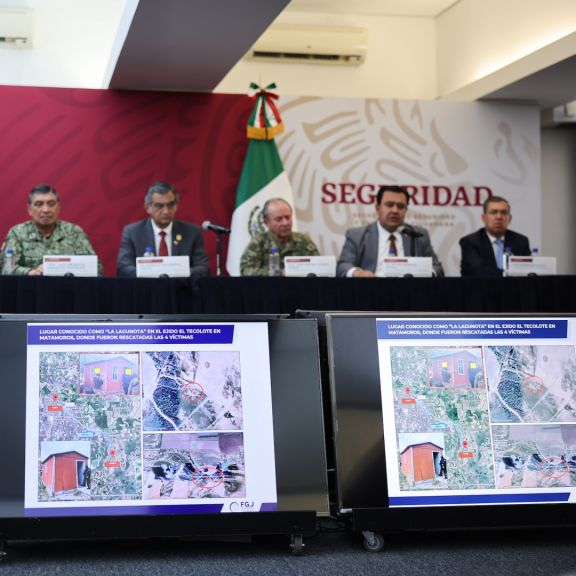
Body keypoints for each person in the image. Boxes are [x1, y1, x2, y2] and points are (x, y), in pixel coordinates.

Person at [336, 185, 444, 277]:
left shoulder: (418, 235)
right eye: (389, 205)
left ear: (406, 210)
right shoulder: (357, 235)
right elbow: (342, 266)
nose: (395, 210)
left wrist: (424, 274)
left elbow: (437, 268)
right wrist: (357, 272)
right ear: (377, 207)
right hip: (371, 292)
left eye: (400, 206)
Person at [0, 184, 102, 276]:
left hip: (67, 292)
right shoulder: (17, 233)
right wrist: (31, 272)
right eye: (39, 204)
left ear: (59, 207)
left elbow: (97, 268)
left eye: (51, 204)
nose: (46, 210)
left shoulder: (74, 232)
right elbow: (6, 269)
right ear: (29, 209)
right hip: (30, 291)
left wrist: (60, 269)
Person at [116, 181, 209, 277]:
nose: (166, 211)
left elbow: (203, 268)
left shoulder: (192, 232)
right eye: (159, 206)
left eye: (170, 205)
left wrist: (179, 272)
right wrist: (152, 273)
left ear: (176, 206)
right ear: (147, 207)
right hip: (146, 289)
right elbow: (123, 268)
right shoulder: (132, 232)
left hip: (181, 289)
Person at [240, 198, 320, 276]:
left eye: (288, 217)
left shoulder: (303, 240)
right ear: (266, 222)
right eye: (279, 219)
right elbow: (245, 271)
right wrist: (278, 273)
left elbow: (318, 267)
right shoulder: (258, 242)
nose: (285, 223)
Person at [459, 196, 531, 277]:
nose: (499, 217)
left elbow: (527, 271)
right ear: (484, 218)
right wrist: (509, 274)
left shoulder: (521, 241)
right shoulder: (470, 242)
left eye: (503, 213)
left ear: (509, 219)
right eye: (493, 212)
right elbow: (478, 271)